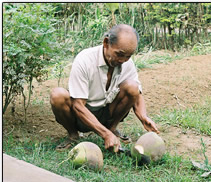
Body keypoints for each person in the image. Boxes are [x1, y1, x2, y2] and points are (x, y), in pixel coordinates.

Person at [50, 24, 159, 152]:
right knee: (57, 95)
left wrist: (143, 117)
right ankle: (73, 135)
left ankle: (112, 129)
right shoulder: (85, 60)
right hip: (82, 115)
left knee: (132, 87)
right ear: (106, 43)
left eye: (128, 56)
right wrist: (105, 135)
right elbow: (78, 106)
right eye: (119, 54)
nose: (123, 60)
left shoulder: (126, 62)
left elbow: (137, 93)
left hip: (107, 112)